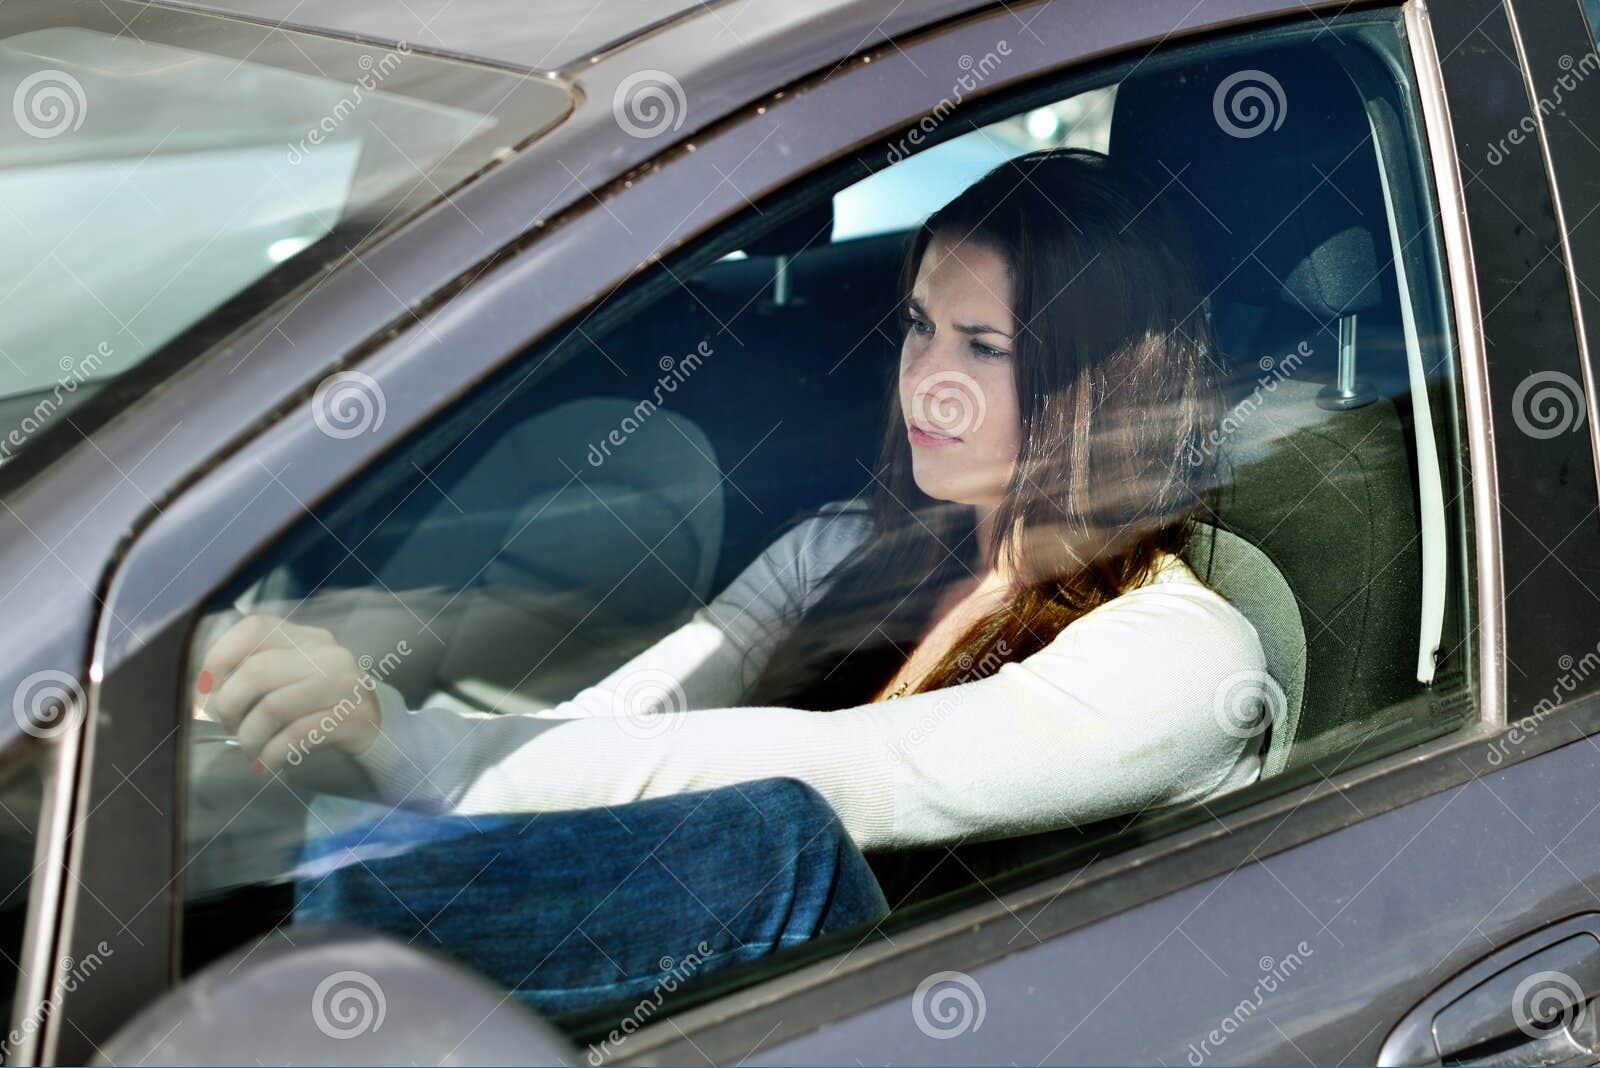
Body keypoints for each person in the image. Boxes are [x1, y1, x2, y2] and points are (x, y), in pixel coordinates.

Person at [198, 149, 1270, 1012]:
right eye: (916, 327)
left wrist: (400, 738)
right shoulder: (839, 547)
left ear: (1100, 376)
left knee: (779, 835)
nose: (927, 377)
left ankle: (238, 944)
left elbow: (851, 771)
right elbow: (624, 720)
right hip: (743, 1012)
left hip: (965, 1049)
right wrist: (375, 736)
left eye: (984, 346)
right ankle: (243, 927)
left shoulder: (1180, 653)